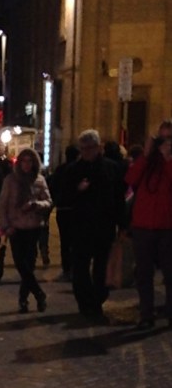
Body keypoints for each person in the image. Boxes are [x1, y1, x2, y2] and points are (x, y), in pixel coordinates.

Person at [62, 129, 126, 322]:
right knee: (80, 268)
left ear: (98, 148)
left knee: (101, 269)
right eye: (83, 149)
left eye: (90, 148)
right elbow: (63, 197)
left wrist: (122, 225)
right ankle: (85, 303)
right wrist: (77, 190)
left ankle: (97, 301)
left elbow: (118, 198)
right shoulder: (72, 170)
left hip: (104, 227)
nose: (87, 152)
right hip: (80, 227)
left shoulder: (112, 168)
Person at [123, 120, 172, 329]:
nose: (165, 142)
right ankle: (146, 313)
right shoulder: (147, 161)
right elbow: (130, 178)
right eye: (162, 138)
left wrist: (168, 158)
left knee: (170, 274)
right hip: (143, 225)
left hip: (167, 226)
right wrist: (147, 153)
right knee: (144, 273)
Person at [0, 148, 52, 313]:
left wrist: (36, 205)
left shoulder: (40, 180)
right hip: (16, 228)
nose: (26, 165)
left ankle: (23, 299)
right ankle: (39, 294)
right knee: (21, 265)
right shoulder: (11, 180)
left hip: (34, 227)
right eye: (24, 161)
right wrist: (5, 226)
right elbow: (3, 205)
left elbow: (49, 202)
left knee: (29, 265)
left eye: (30, 161)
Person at [48, 144, 80, 281]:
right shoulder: (79, 169)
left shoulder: (60, 170)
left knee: (65, 241)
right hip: (75, 209)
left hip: (62, 209)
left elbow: (53, 188)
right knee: (76, 240)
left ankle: (66, 267)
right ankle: (74, 267)